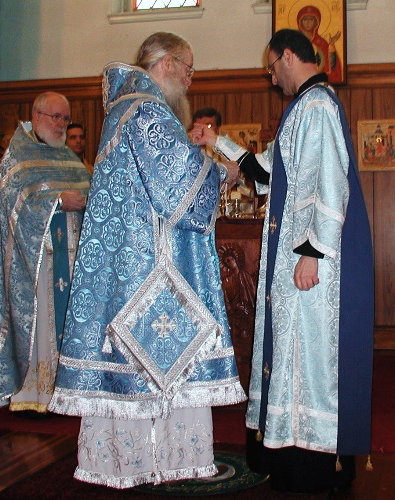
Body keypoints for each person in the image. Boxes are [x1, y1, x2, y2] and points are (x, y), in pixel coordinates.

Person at [48, 32, 246, 489]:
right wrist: (224, 170)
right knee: (153, 367)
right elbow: (180, 192)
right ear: (165, 63)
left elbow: (167, 174)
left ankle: (136, 460)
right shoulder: (146, 110)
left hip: (127, 268)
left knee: (140, 371)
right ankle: (150, 461)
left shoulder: (127, 108)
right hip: (147, 272)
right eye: (189, 68)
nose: (191, 80)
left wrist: (195, 153)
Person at [193, 28, 374, 495]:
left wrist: (313, 253)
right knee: (295, 354)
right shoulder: (304, 108)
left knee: (312, 357)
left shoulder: (317, 107)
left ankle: (315, 462)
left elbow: (332, 183)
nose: (272, 78)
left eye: (272, 67)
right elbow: (272, 170)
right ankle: (290, 453)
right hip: (300, 255)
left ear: (289, 56)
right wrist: (222, 144)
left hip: (314, 261)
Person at [0, 91, 90, 413]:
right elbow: (5, 203)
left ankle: (70, 390)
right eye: (56, 117)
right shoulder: (18, 160)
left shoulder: (68, 157)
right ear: (36, 117)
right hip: (37, 265)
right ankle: (36, 393)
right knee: (43, 325)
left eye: (65, 118)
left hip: (73, 261)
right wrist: (57, 202)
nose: (61, 125)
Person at [297, 5, 342, 83]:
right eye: (305, 19)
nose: (307, 23)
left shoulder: (322, 44)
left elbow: (332, 68)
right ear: (300, 22)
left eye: (311, 20)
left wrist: (331, 46)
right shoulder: (294, 42)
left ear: (316, 22)